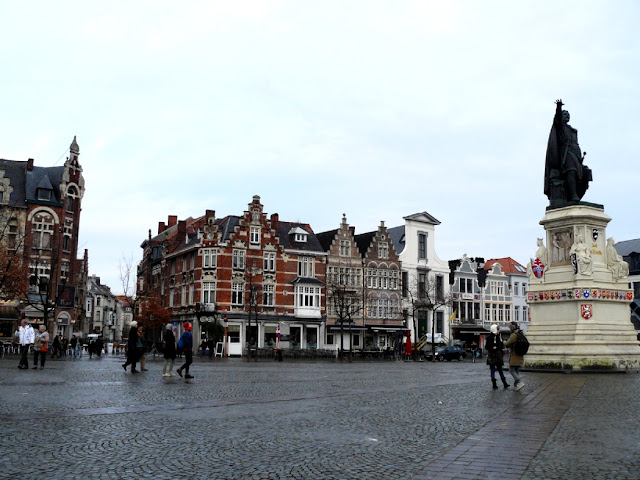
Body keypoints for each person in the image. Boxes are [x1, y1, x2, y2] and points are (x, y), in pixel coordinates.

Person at [544, 99, 592, 205]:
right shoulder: (560, 127)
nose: (567, 116)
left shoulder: (572, 130)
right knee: (571, 171)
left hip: (576, 154)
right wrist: (559, 107)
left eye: (568, 114)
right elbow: (557, 118)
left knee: (585, 173)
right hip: (566, 153)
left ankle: (578, 194)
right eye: (565, 114)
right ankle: (572, 194)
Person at [485, 324, 509, 389]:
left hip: (497, 355)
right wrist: (493, 348)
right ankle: (495, 384)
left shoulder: (498, 337)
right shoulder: (490, 338)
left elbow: (500, 346)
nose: (499, 330)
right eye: (498, 329)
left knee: (499, 370)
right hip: (493, 356)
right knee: (494, 370)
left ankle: (504, 383)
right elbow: (487, 347)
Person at [504, 322, 526, 391]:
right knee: (516, 370)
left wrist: (504, 341)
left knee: (511, 370)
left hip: (514, 355)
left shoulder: (514, 335)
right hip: (520, 355)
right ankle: (516, 386)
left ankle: (519, 382)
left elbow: (507, 343)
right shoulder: (521, 333)